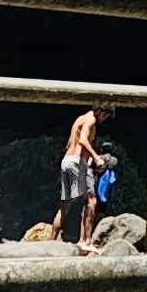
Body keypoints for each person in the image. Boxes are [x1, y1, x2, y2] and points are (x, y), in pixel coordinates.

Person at [59, 106, 108, 248]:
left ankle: (52, 240)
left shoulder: (79, 120)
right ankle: (85, 241)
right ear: (101, 111)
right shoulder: (91, 119)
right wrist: (96, 157)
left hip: (67, 161)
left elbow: (70, 143)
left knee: (65, 205)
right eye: (105, 116)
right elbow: (82, 140)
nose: (104, 120)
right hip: (78, 162)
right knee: (91, 202)